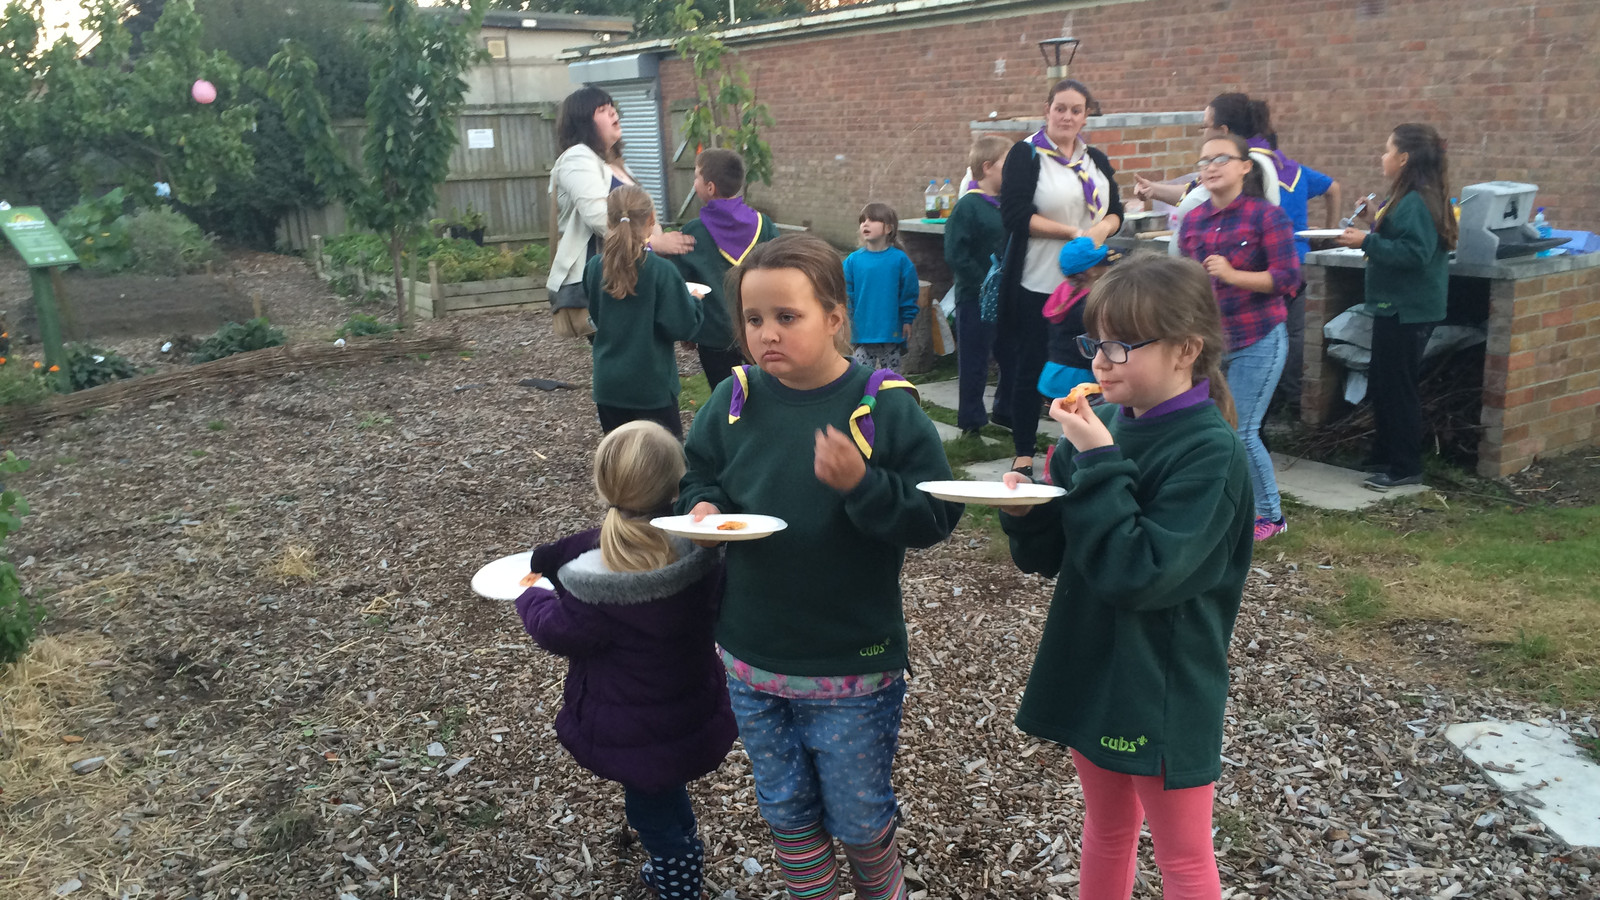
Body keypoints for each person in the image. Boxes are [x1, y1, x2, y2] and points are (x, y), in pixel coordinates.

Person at [678, 233, 962, 900]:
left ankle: (879, 884)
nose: (766, 334)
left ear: (836, 317)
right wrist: (703, 510)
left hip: (851, 663)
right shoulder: (736, 399)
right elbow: (699, 473)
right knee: (786, 814)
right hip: (752, 657)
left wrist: (861, 483)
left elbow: (934, 519)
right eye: (753, 319)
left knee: (861, 819)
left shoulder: (883, 404)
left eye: (787, 317)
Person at [999, 255, 1254, 900]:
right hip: (1091, 662)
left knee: (1184, 859)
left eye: (1120, 344)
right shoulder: (1104, 425)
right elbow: (1052, 555)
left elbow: (1140, 573)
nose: (1101, 361)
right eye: (1095, 342)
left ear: (1185, 350)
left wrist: (1100, 463)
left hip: (1162, 682)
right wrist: (1030, 512)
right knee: (1107, 831)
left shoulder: (1209, 452)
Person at [516, 420, 736, 900]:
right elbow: (567, 549)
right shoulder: (704, 555)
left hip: (629, 728)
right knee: (666, 785)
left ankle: (678, 875)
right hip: (689, 706)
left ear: (603, 486)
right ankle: (684, 849)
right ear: (679, 483)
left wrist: (529, 597)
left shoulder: (594, 582)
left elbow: (558, 631)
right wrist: (547, 559)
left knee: (648, 807)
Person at [998, 78, 1124, 479]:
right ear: (1047, 110)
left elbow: (1116, 209)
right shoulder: (1026, 154)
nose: (1067, 116)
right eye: (1060, 108)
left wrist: (1101, 232)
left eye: (1076, 109)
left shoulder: (1096, 159)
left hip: (1091, 287)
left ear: (1086, 115)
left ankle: (1084, 448)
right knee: (1031, 367)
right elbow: (1015, 215)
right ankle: (1023, 450)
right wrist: (1072, 233)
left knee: (1092, 369)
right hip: (1040, 282)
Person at [1178, 134, 1300, 542]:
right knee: (1207, 427)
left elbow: (1288, 279)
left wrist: (1232, 275)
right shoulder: (1193, 221)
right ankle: (1217, 504)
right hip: (1210, 343)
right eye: (1204, 161)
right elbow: (1186, 283)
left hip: (1258, 338)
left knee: (1241, 430)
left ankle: (1270, 515)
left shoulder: (1266, 217)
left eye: (1221, 159)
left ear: (1245, 167)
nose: (1210, 167)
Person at [1335, 123, 1455, 490]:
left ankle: (1405, 465)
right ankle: (1384, 453)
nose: (1382, 157)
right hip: (1394, 307)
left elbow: (1415, 254)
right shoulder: (1408, 198)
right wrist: (1375, 219)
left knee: (1399, 387)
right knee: (1384, 382)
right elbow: (1404, 237)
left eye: (1387, 151)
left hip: (1408, 309)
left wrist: (1365, 242)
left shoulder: (1418, 200)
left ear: (1404, 158)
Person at [548, 86, 693, 339]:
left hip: (629, 271)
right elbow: (598, 216)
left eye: (612, 106)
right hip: (603, 276)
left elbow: (643, 214)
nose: (613, 112)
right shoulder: (576, 158)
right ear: (583, 122)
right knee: (625, 353)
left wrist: (658, 242)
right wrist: (654, 242)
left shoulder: (614, 163)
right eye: (602, 110)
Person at [584, 185, 703, 437]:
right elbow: (682, 325)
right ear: (651, 220)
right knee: (663, 464)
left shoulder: (595, 267)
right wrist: (694, 300)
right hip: (651, 385)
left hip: (609, 384)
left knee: (622, 462)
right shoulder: (662, 271)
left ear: (609, 220)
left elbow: (597, 316)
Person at [670, 148, 780, 391]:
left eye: (696, 176)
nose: (694, 181)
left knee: (725, 396)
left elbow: (683, 285)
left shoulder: (693, 233)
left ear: (710, 188)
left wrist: (690, 327)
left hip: (713, 336)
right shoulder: (765, 226)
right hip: (761, 330)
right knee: (765, 392)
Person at [944, 135, 1014, 436]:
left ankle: (1005, 408)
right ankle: (971, 420)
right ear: (987, 167)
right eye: (1007, 164)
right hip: (975, 297)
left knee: (1011, 354)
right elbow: (955, 254)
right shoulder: (968, 207)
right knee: (974, 360)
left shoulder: (1009, 205)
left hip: (1007, 295)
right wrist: (983, 282)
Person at [1039, 237, 1120, 401]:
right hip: (1078, 381)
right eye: (1103, 262)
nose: (1108, 266)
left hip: (1053, 375)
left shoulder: (1063, 290)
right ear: (1091, 271)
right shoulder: (1087, 306)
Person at [844, 203, 921, 372]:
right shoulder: (852, 261)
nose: (865, 224)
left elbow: (909, 292)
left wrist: (907, 319)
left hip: (890, 333)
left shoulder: (900, 261)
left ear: (888, 228)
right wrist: (847, 321)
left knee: (892, 381)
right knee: (860, 379)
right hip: (862, 332)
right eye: (863, 220)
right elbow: (847, 295)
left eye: (872, 220)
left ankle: (891, 400)